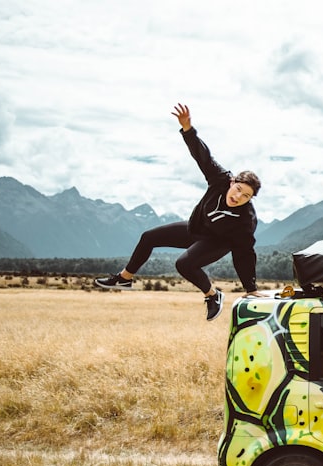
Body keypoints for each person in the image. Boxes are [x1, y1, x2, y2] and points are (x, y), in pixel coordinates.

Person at [95, 103, 262, 321]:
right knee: (149, 237)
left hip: (218, 242)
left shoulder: (245, 221)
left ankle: (213, 295)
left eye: (246, 196)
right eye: (238, 189)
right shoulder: (220, 179)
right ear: (232, 182)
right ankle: (125, 278)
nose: (238, 197)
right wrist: (188, 129)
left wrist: (250, 288)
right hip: (196, 229)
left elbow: (244, 253)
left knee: (183, 264)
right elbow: (203, 157)